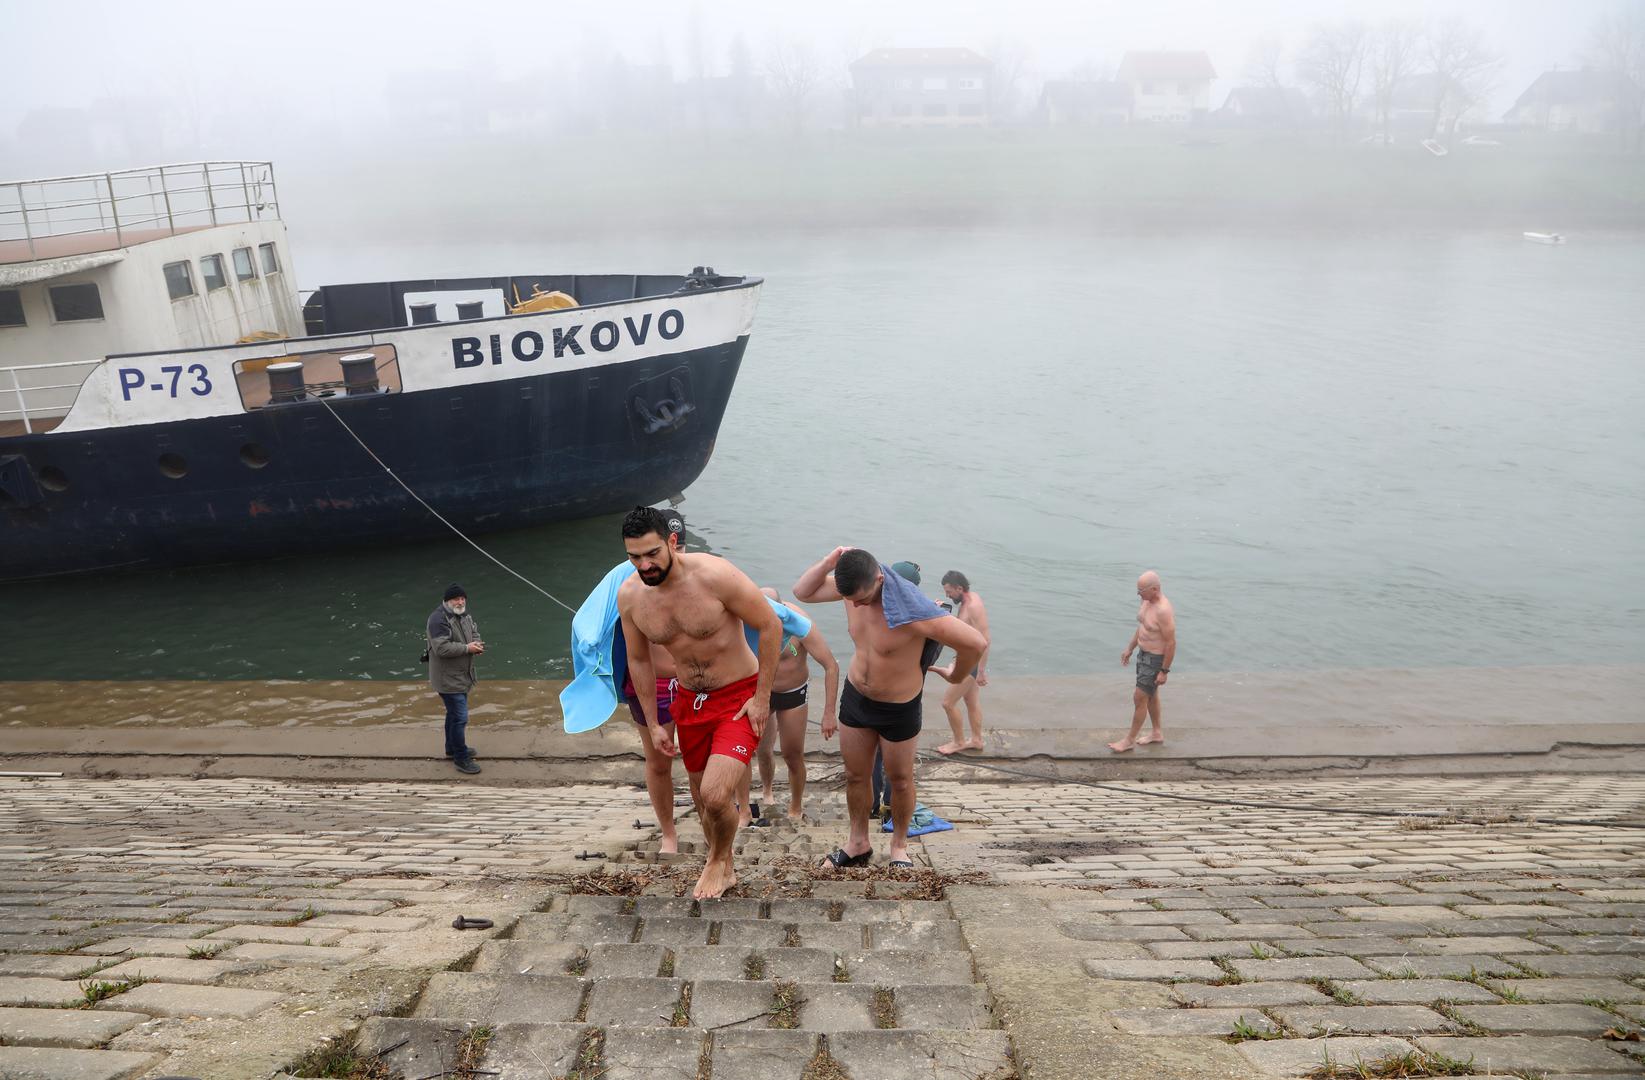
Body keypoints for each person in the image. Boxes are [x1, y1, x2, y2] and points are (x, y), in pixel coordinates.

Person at [618, 506, 781, 899]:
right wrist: (655, 723)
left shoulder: (715, 575)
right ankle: (725, 866)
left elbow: (770, 625)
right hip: (689, 701)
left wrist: (762, 699)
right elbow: (638, 659)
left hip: (738, 696)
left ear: (672, 542)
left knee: (714, 794)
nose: (645, 564)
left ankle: (715, 861)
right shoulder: (631, 596)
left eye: (652, 553)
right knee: (702, 799)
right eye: (635, 557)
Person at [794, 547, 985, 869]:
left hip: (899, 707)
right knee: (856, 775)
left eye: (862, 598)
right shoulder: (852, 589)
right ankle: (857, 843)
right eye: (849, 598)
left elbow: (975, 643)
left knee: (900, 779)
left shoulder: (916, 612)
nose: (855, 604)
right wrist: (832, 558)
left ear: (880, 580)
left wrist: (956, 674)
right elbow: (804, 592)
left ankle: (899, 846)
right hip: (856, 697)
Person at [747, 587, 841, 823]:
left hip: (793, 692)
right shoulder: (748, 620)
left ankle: (795, 806)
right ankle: (766, 793)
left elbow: (831, 666)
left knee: (792, 754)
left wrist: (829, 713)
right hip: (762, 693)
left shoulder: (799, 623)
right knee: (761, 749)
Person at [1110, 570, 1177, 753]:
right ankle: (1157, 733)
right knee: (1151, 695)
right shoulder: (1146, 601)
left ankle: (1129, 740)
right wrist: (1130, 648)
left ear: (1155, 589)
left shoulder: (1163, 610)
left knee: (1139, 697)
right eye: (1138, 590)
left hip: (1155, 660)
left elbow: (1171, 643)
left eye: (1142, 590)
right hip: (1142, 654)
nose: (1139, 594)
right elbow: (1143, 627)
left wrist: (1164, 671)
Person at [427, 583, 483, 775]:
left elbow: (474, 631)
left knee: (453, 715)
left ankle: (451, 748)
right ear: (446, 601)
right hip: (447, 679)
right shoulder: (437, 620)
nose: (460, 602)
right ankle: (461, 758)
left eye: (462, 598)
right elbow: (441, 648)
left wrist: (477, 643)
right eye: (455, 599)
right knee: (460, 718)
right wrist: (468, 648)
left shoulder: (464, 614)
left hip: (461, 676)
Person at [933, 570, 991, 755]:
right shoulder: (966, 600)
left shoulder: (973, 606)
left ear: (959, 588)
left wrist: (980, 671)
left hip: (971, 663)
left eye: (949, 592)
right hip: (966, 659)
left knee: (948, 703)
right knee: (971, 701)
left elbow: (986, 639)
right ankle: (976, 740)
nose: (947, 595)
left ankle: (958, 742)